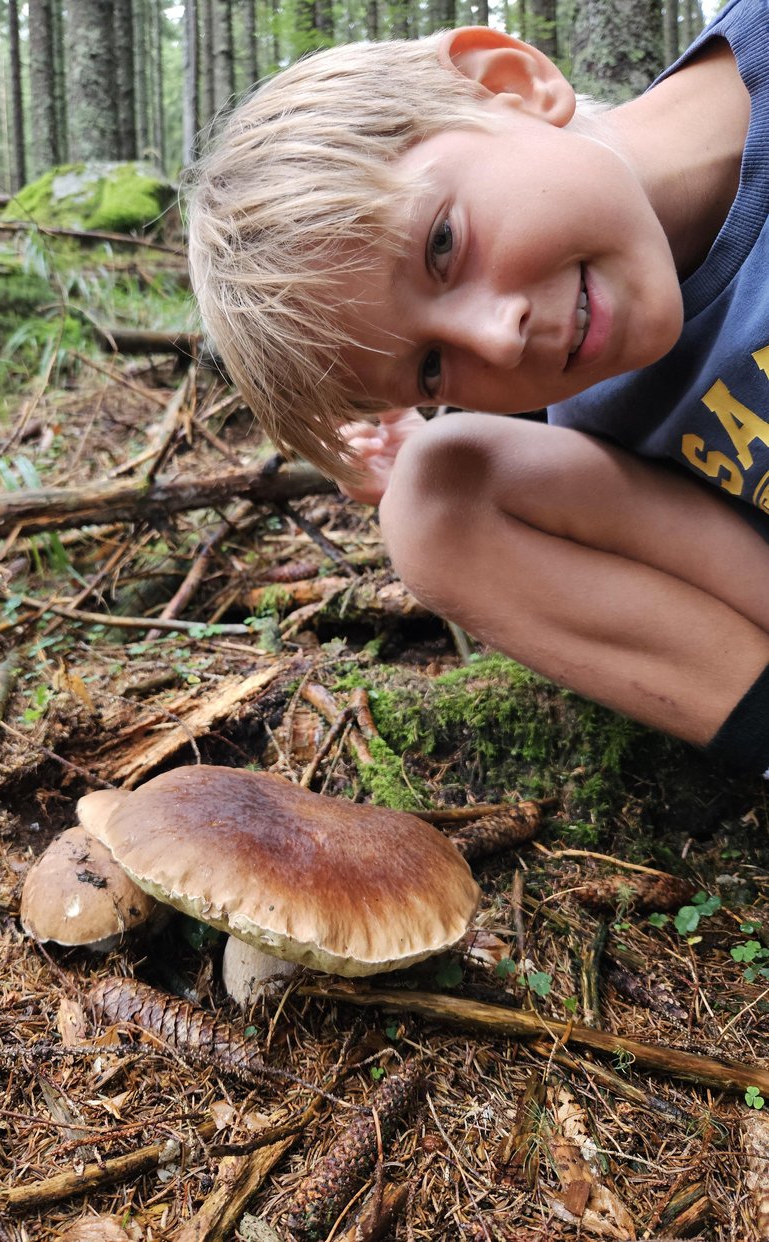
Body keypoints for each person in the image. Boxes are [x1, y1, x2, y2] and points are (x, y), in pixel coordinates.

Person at [187, 0, 769, 777]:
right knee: (431, 502)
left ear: (510, 81)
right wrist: (422, 445)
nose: (497, 338)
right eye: (432, 368)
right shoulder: (596, 410)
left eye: (442, 244)